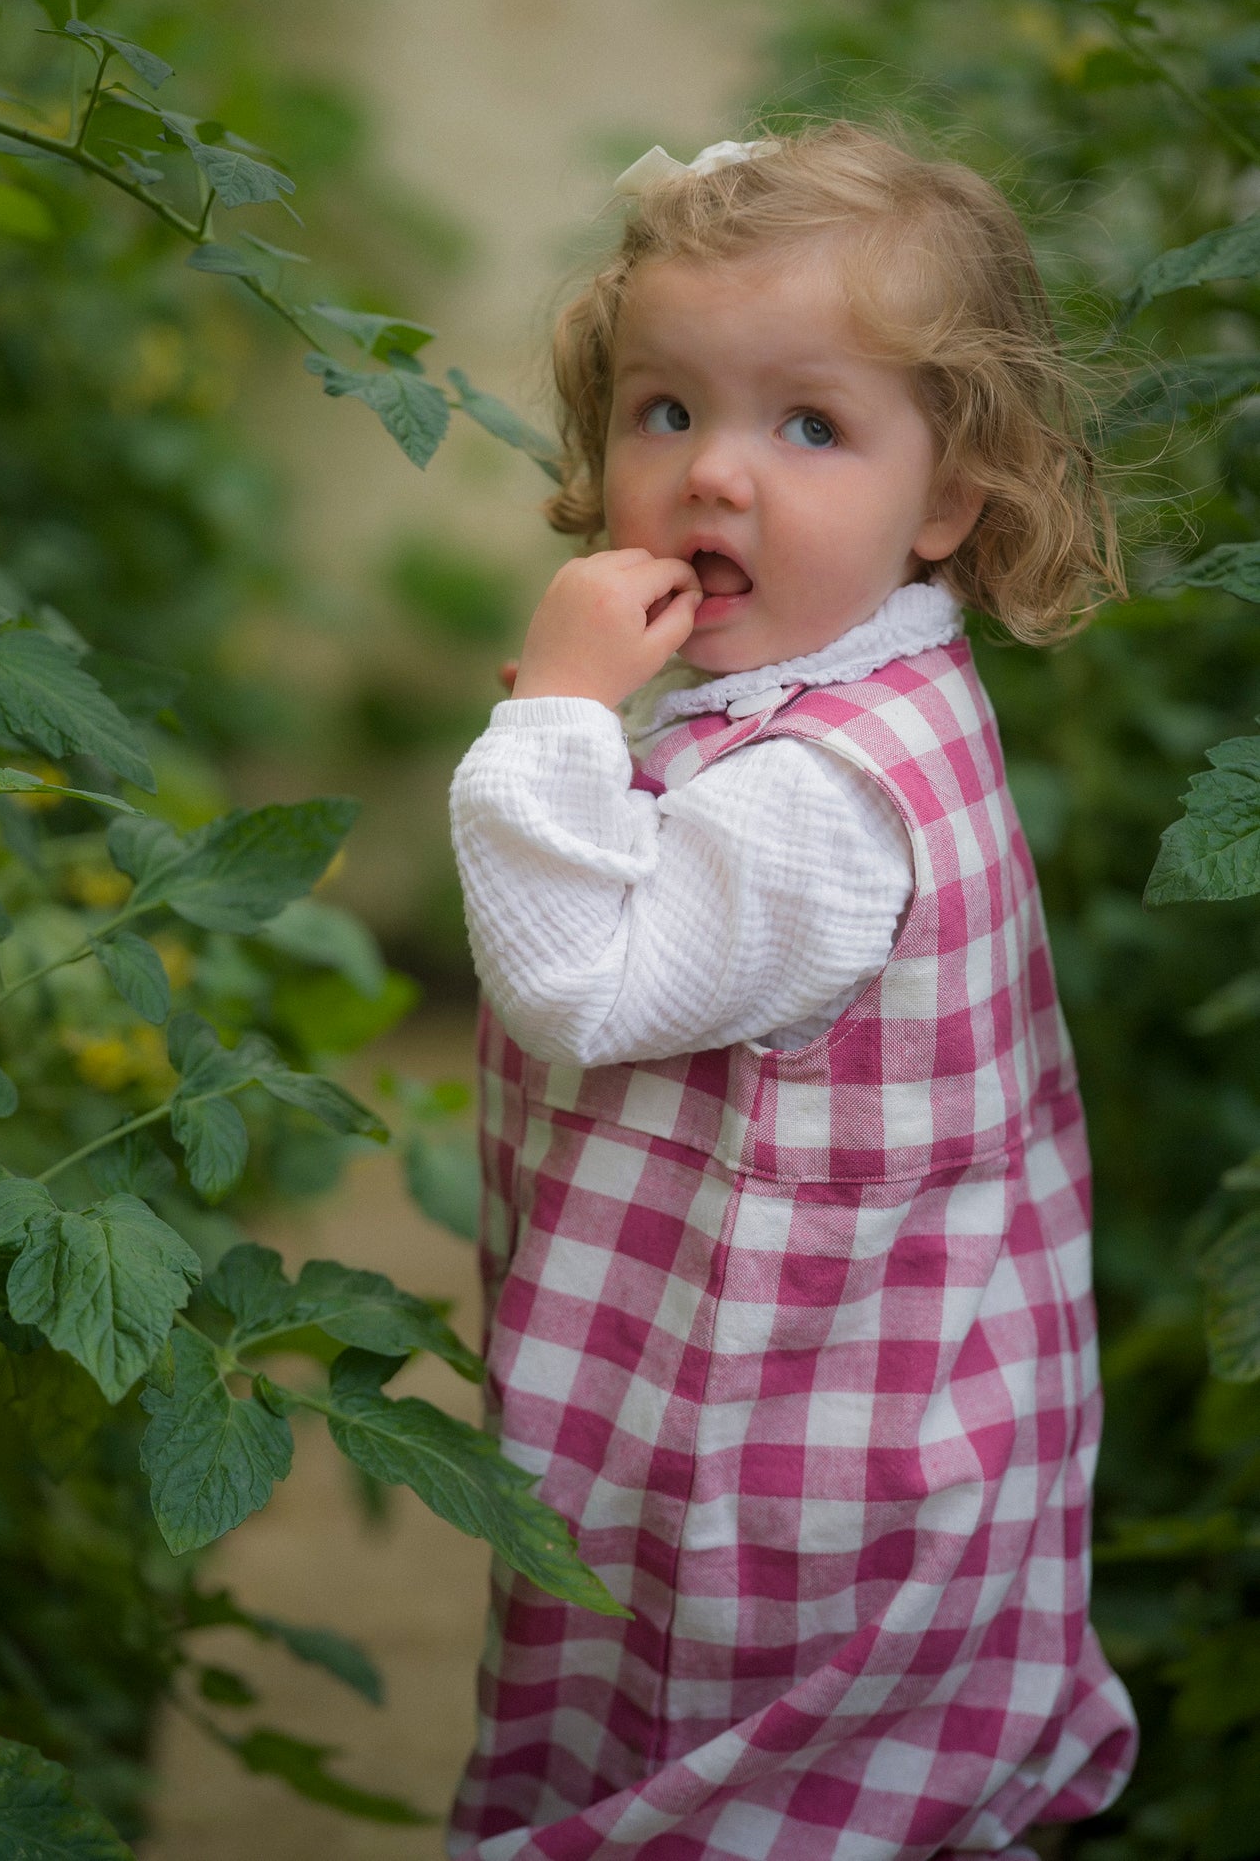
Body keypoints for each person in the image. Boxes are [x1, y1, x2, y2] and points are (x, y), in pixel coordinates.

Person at [446, 121, 1138, 1861]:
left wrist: (546, 736)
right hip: (804, 1407)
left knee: (748, 1803)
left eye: (807, 425)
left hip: (785, 1488)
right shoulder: (838, 700)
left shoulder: (817, 799)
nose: (711, 476)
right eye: (664, 410)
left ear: (953, 496)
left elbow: (578, 982)